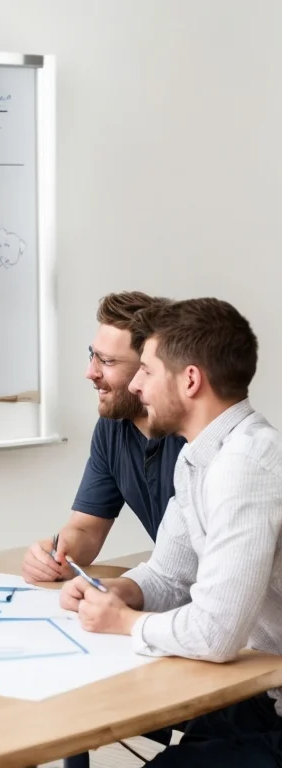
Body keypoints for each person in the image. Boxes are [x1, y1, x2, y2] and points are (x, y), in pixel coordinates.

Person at [59, 297, 282, 767]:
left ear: (190, 380)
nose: (135, 385)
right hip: (261, 689)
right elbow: (169, 575)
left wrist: (124, 622)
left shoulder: (245, 465)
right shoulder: (197, 456)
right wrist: (120, 591)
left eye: (146, 370)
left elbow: (215, 633)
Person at [22, 292, 186, 584]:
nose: (90, 373)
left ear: (151, 368)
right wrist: (58, 555)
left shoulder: (199, 437)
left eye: (107, 361)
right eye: (92, 355)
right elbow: (86, 529)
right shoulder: (112, 429)